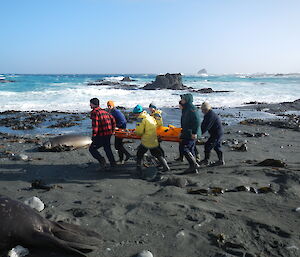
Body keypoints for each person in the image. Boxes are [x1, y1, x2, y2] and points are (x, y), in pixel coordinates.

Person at [132, 104, 170, 176]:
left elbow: (139, 132)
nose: (135, 115)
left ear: (137, 113)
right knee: (157, 153)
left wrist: (136, 132)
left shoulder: (141, 119)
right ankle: (165, 166)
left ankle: (138, 169)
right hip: (153, 137)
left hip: (147, 139)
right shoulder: (149, 116)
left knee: (139, 153)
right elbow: (157, 124)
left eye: (135, 114)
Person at [89, 98, 116, 170]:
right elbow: (113, 120)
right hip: (108, 134)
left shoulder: (95, 113)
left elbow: (95, 126)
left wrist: (94, 136)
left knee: (92, 149)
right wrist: (112, 131)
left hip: (101, 135)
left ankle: (102, 161)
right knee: (107, 149)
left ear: (93, 104)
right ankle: (113, 164)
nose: (89, 105)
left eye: (90, 104)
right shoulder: (105, 111)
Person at [179, 94, 201, 174]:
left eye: (183, 99)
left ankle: (194, 165)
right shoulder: (186, 108)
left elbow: (197, 121)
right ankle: (193, 169)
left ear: (187, 100)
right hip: (187, 132)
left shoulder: (192, 109)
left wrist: (194, 133)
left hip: (191, 133)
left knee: (185, 148)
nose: (181, 100)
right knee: (190, 148)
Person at [199, 102, 224, 166]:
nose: (202, 111)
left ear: (206, 109)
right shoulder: (208, 114)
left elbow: (206, 127)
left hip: (217, 133)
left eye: (203, 110)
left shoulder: (210, 116)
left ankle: (206, 160)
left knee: (208, 145)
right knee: (217, 147)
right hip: (216, 133)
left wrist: (199, 134)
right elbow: (203, 124)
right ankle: (220, 161)